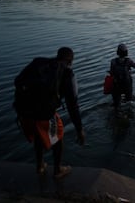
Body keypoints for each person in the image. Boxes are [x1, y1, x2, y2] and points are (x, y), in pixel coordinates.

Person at [15, 47, 85, 179]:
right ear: (70, 60)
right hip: (45, 114)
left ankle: (40, 166)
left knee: (38, 135)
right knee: (57, 138)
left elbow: (17, 81)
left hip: (25, 113)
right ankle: (58, 170)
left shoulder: (38, 62)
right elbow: (72, 105)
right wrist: (79, 129)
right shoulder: (67, 73)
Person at [110, 43, 135, 109]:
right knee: (129, 102)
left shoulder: (113, 61)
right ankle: (129, 115)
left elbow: (112, 73)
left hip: (116, 84)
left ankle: (116, 115)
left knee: (116, 105)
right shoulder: (128, 61)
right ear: (126, 52)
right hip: (127, 84)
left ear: (117, 52)